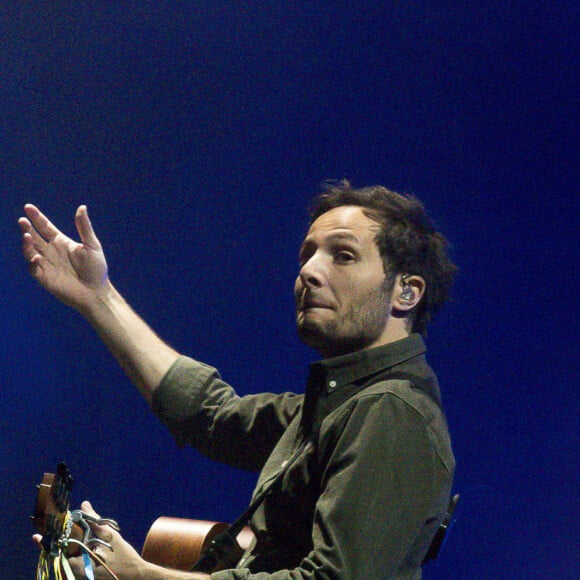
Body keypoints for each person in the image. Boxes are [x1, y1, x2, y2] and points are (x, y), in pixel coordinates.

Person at [21, 181, 457, 579]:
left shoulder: (392, 412)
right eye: (307, 255)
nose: (308, 272)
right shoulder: (337, 406)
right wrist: (100, 298)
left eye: (342, 255)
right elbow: (209, 414)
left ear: (407, 292)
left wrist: (142, 575)